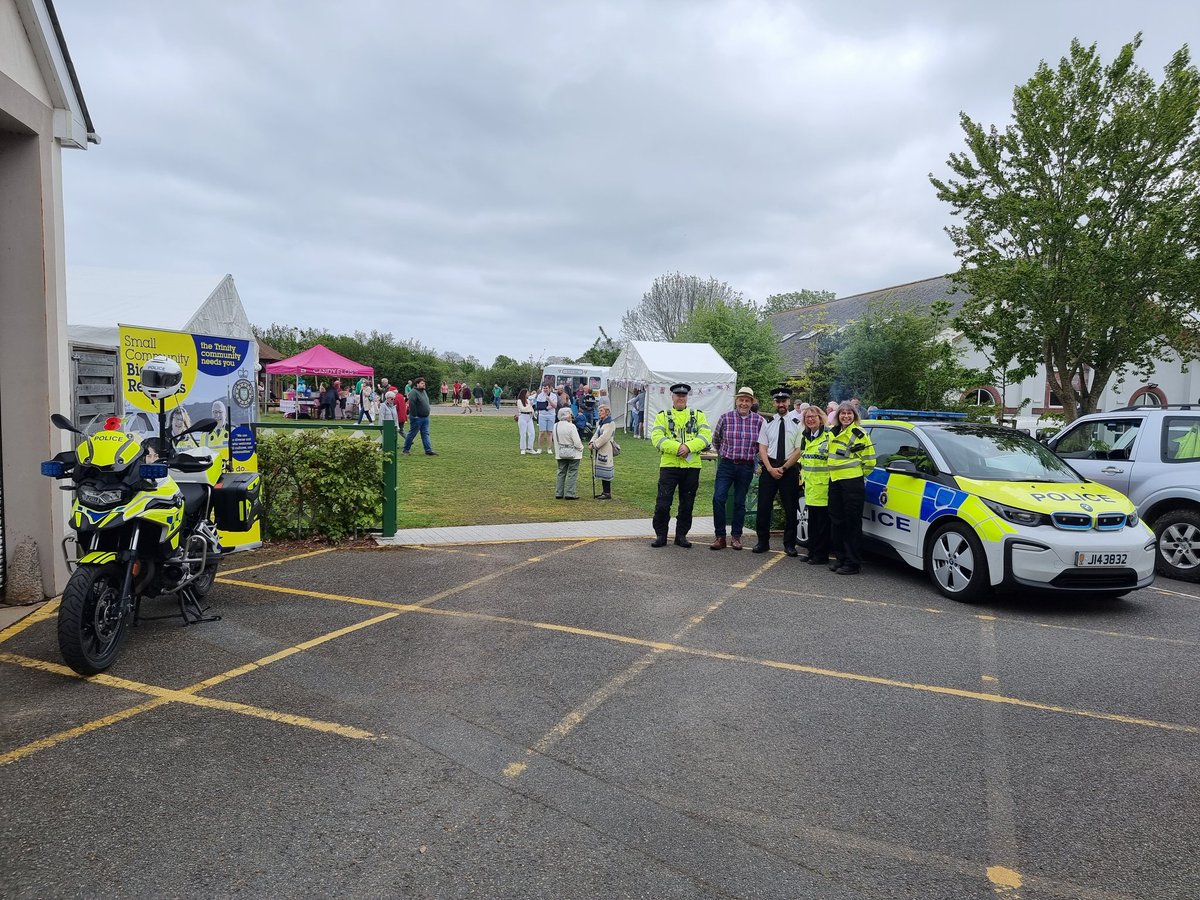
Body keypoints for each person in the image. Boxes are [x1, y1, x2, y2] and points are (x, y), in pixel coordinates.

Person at [650, 383, 712, 548]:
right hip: (669, 465)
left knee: (687, 504)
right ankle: (661, 535)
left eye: (683, 396)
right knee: (663, 503)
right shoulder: (663, 415)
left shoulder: (698, 415)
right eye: (677, 395)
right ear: (672, 397)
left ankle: (681, 535)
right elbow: (656, 438)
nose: (680, 398)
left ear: (687, 398)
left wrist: (689, 447)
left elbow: (706, 436)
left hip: (692, 467)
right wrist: (678, 448)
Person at [709, 387, 765, 550]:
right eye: (741, 399)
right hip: (727, 465)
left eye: (747, 400)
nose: (744, 403)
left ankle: (736, 537)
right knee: (718, 498)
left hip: (746, 466)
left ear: (752, 402)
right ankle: (720, 536)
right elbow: (716, 439)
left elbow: (761, 445)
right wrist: (725, 453)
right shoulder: (725, 418)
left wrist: (755, 462)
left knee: (740, 502)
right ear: (736, 401)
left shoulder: (759, 421)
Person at [825, 401, 875, 575]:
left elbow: (869, 462)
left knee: (851, 523)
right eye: (843, 413)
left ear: (855, 415)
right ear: (838, 416)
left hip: (852, 483)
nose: (846, 416)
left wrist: (856, 476)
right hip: (835, 481)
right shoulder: (833, 432)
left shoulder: (859, 433)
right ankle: (840, 558)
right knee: (837, 521)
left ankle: (853, 562)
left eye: (849, 413)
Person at [753, 387, 803, 556]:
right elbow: (762, 448)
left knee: (790, 509)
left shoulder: (797, 424)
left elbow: (798, 450)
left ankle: (789, 544)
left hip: (788, 469)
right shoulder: (768, 423)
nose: (781, 404)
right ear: (774, 403)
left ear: (788, 402)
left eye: (784, 401)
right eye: (778, 401)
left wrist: (783, 468)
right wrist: (769, 468)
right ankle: (762, 542)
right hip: (769, 468)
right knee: (763, 507)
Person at [795, 405, 832, 565]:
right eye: (807, 417)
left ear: (820, 418)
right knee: (812, 523)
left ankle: (821, 555)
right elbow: (803, 460)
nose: (810, 419)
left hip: (824, 487)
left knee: (822, 525)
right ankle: (811, 551)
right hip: (810, 487)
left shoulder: (829, 436)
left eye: (813, 416)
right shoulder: (805, 437)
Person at [553, 407, 584, 499]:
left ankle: (559, 492)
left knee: (561, 472)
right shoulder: (571, 426)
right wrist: (581, 448)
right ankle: (570, 493)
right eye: (570, 414)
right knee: (572, 472)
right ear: (567, 415)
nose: (571, 415)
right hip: (573, 453)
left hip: (560, 452)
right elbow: (577, 441)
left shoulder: (556, 425)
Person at [402, 377, 437, 455]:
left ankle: (428, 450)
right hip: (417, 417)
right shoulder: (413, 392)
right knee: (412, 434)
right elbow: (412, 404)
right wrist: (414, 416)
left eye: (424, 383)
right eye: (422, 383)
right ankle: (405, 450)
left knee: (425, 433)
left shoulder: (423, 391)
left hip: (425, 417)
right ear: (417, 384)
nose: (424, 385)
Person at [589, 403, 617, 499]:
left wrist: (594, 445)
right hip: (600, 448)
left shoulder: (610, 424)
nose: (599, 412)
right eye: (599, 411)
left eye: (601, 411)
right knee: (601, 468)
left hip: (606, 448)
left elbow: (604, 437)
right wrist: (591, 442)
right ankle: (604, 491)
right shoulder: (601, 423)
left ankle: (607, 493)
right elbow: (596, 434)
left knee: (606, 468)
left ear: (607, 412)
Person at [533, 383, 554, 454]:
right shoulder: (540, 396)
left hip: (551, 415)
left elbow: (554, 405)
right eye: (544, 388)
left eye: (546, 388)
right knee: (542, 432)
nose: (545, 389)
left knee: (549, 432)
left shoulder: (553, 396)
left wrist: (549, 400)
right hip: (542, 416)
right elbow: (539, 406)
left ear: (550, 388)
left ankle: (549, 448)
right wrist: (546, 407)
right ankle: (539, 448)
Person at [515, 388, 536, 454]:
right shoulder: (519, 401)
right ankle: (523, 448)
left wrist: (534, 416)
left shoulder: (528, 400)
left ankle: (530, 448)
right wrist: (530, 405)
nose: (528, 394)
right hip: (522, 417)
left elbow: (531, 409)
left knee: (532, 433)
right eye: (527, 393)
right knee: (523, 433)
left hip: (529, 417)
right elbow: (522, 409)